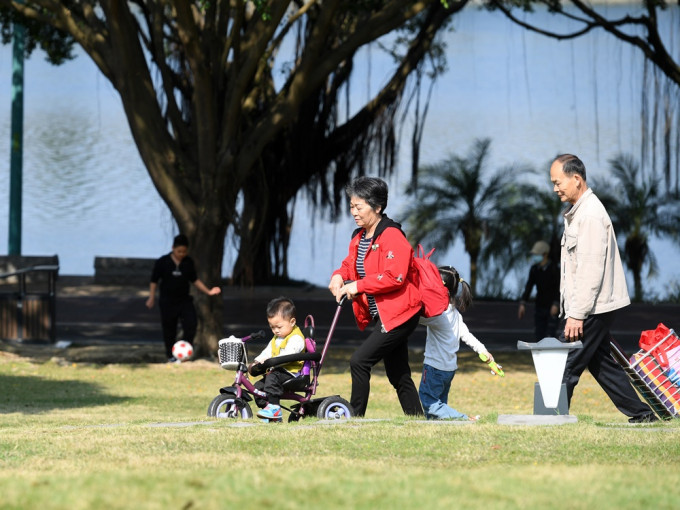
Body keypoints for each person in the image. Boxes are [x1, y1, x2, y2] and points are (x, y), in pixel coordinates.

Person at [550, 154, 656, 423]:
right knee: (603, 366)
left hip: (591, 308)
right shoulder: (580, 213)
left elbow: (591, 270)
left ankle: (551, 417)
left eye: (558, 182)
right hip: (590, 307)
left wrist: (576, 314)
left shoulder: (591, 216)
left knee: (565, 361)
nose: (555, 188)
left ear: (576, 179)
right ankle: (642, 414)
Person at [329, 176, 423, 418]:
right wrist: (339, 277)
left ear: (377, 207)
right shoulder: (359, 237)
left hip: (401, 313)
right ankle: (418, 420)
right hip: (383, 315)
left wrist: (357, 286)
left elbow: (395, 276)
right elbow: (350, 265)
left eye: (359, 207)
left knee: (359, 361)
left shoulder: (392, 236)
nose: (353, 212)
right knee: (398, 373)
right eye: (351, 206)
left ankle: (354, 417)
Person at [419, 266, 496, 421]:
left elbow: (416, 317)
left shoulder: (438, 315)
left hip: (434, 368)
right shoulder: (454, 312)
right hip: (449, 370)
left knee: (430, 402)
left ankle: (463, 419)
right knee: (440, 407)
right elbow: (468, 336)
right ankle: (446, 424)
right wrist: (484, 352)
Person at [146, 234, 222, 363]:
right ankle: (171, 356)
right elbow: (154, 281)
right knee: (169, 328)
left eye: (184, 251)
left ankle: (185, 353)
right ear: (173, 248)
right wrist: (151, 297)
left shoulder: (188, 262)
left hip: (184, 300)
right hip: (167, 301)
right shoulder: (163, 262)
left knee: (191, 324)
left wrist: (208, 291)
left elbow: (195, 280)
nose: (181, 254)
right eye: (179, 251)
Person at [249, 297, 306, 423]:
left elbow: (288, 355)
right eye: (272, 327)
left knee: (272, 378)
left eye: (279, 327)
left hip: (291, 373)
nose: (276, 331)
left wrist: (271, 360)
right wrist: (258, 361)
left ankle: (274, 408)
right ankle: (269, 413)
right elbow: (267, 351)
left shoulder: (296, 338)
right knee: (258, 387)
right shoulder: (277, 338)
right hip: (279, 371)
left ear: (292, 322)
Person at [517, 240, 560, 340]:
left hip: (552, 308)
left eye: (537, 254)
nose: (534, 257)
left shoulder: (554, 269)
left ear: (545, 254)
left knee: (550, 336)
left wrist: (556, 303)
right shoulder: (534, 269)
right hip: (539, 307)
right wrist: (523, 303)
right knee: (539, 336)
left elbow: (559, 288)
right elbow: (529, 286)